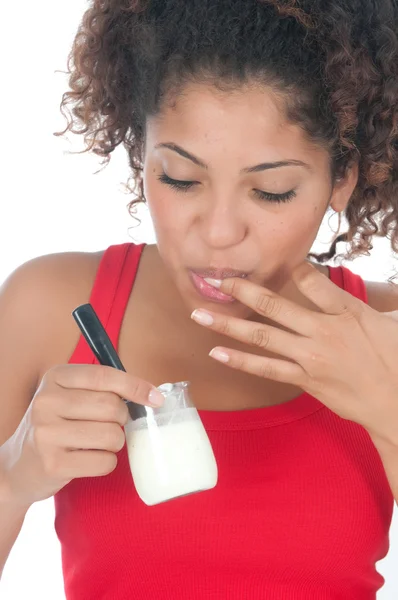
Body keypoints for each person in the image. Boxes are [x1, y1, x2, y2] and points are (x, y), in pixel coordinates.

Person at [1, 0, 398, 597]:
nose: (217, 232)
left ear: (341, 179)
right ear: (140, 155)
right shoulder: (48, 307)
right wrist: (11, 477)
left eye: (271, 191)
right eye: (181, 179)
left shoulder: (386, 332)